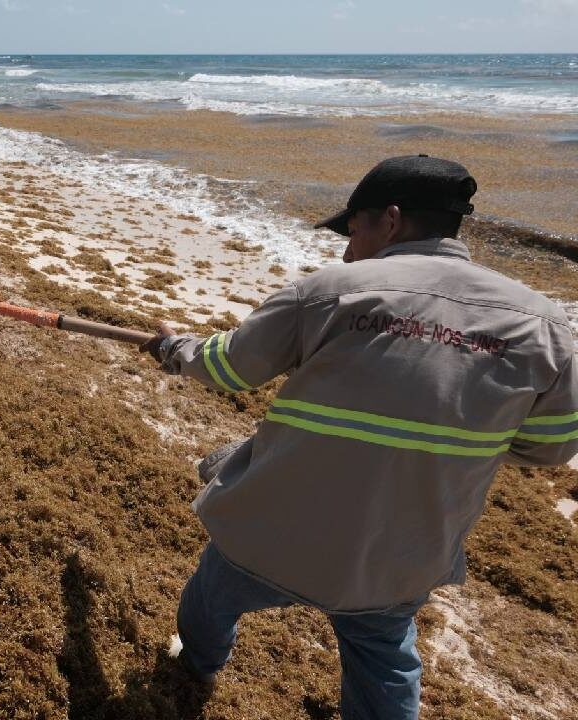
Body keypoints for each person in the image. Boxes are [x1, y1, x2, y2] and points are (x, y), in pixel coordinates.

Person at [139, 155, 578, 720]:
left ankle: (198, 665)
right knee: (384, 655)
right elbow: (548, 448)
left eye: (354, 231)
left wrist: (174, 349)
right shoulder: (544, 327)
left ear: (390, 221)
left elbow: (229, 368)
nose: (347, 250)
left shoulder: (330, 292)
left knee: (211, 596)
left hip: (270, 530)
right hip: (396, 557)